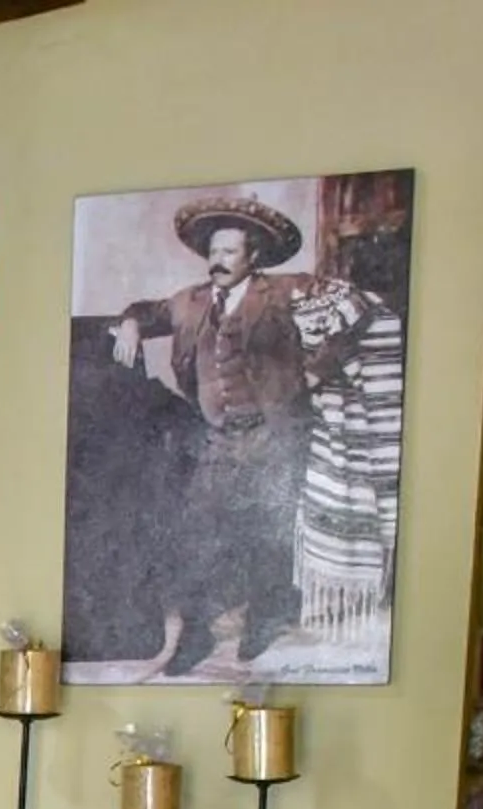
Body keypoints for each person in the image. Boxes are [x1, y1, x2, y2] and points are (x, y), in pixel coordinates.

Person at [109, 197, 366, 669]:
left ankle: (264, 621)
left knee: (265, 535)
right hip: (219, 438)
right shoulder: (190, 302)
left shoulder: (287, 291)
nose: (217, 260)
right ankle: (195, 635)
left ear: (254, 256)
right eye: (213, 250)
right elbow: (146, 311)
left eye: (229, 251)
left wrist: (315, 372)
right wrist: (129, 323)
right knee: (194, 532)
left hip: (276, 435)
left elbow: (355, 314)